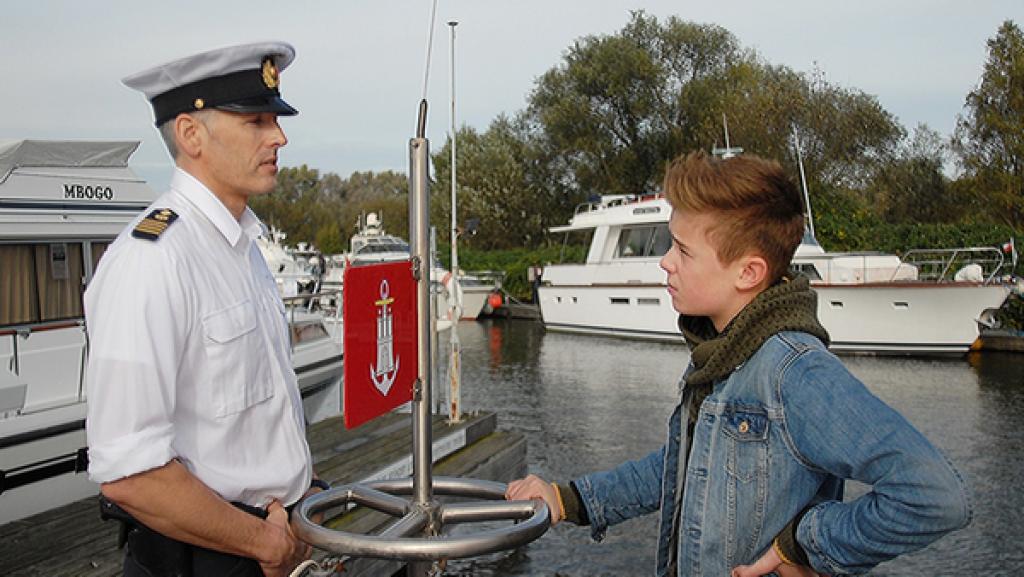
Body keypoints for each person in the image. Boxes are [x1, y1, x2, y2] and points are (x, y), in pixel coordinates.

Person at [506, 151, 970, 576]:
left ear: (748, 273)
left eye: (683, 251)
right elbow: (680, 469)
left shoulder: (795, 372)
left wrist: (807, 542)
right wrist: (567, 500)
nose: (666, 263)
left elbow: (934, 496)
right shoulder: (720, 356)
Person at [85, 42, 330, 577]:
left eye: (276, 120)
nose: (280, 137)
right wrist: (264, 543)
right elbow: (129, 472)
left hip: (267, 542)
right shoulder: (152, 259)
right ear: (191, 135)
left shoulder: (243, 251)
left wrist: (298, 493)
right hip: (206, 561)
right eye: (257, 121)